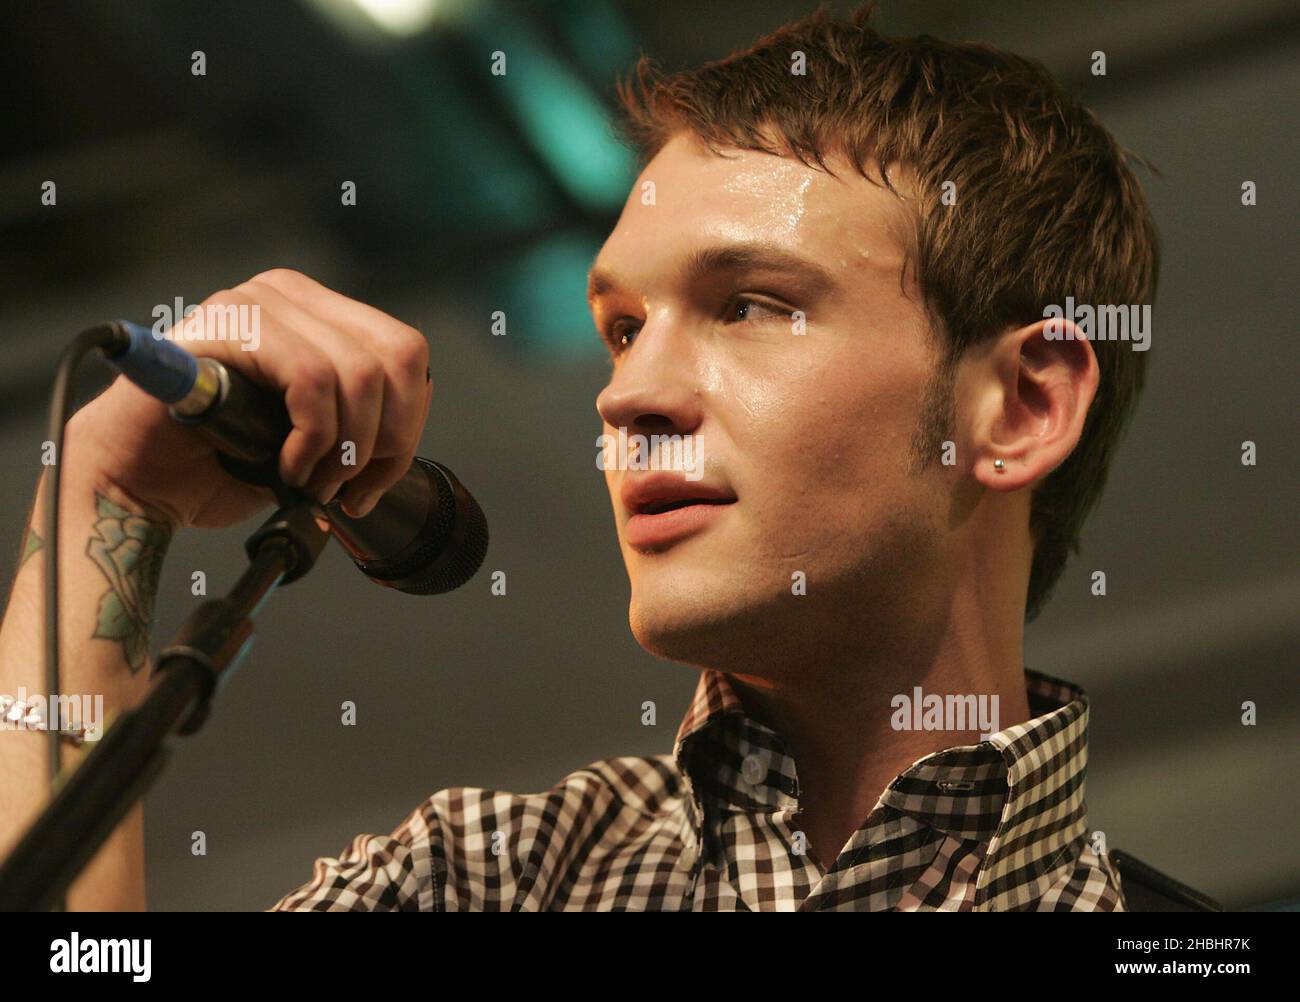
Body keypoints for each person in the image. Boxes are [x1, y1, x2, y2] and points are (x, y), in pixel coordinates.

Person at [0, 3, 1217, 911]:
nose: (629, 392)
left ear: (1019, 407)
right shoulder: (478, 883)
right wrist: (113, 490)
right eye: (623, 329)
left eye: (749, 305)